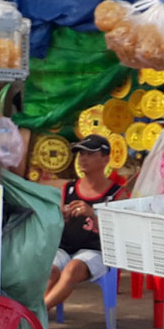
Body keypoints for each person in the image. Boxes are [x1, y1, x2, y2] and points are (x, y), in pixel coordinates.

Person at [43, 135, 122, 314]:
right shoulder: (68, 188)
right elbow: (56, 224)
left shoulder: (117, 193)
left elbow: (119, 235)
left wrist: (92, 214)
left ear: (105, 159)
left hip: (98, 252)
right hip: (65, 248)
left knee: (73, 268)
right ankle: (36, 318)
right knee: (50, 270)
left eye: (90, 154)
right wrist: (60, 216)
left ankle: (34, 315)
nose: (82, 159)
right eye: (80, 154)